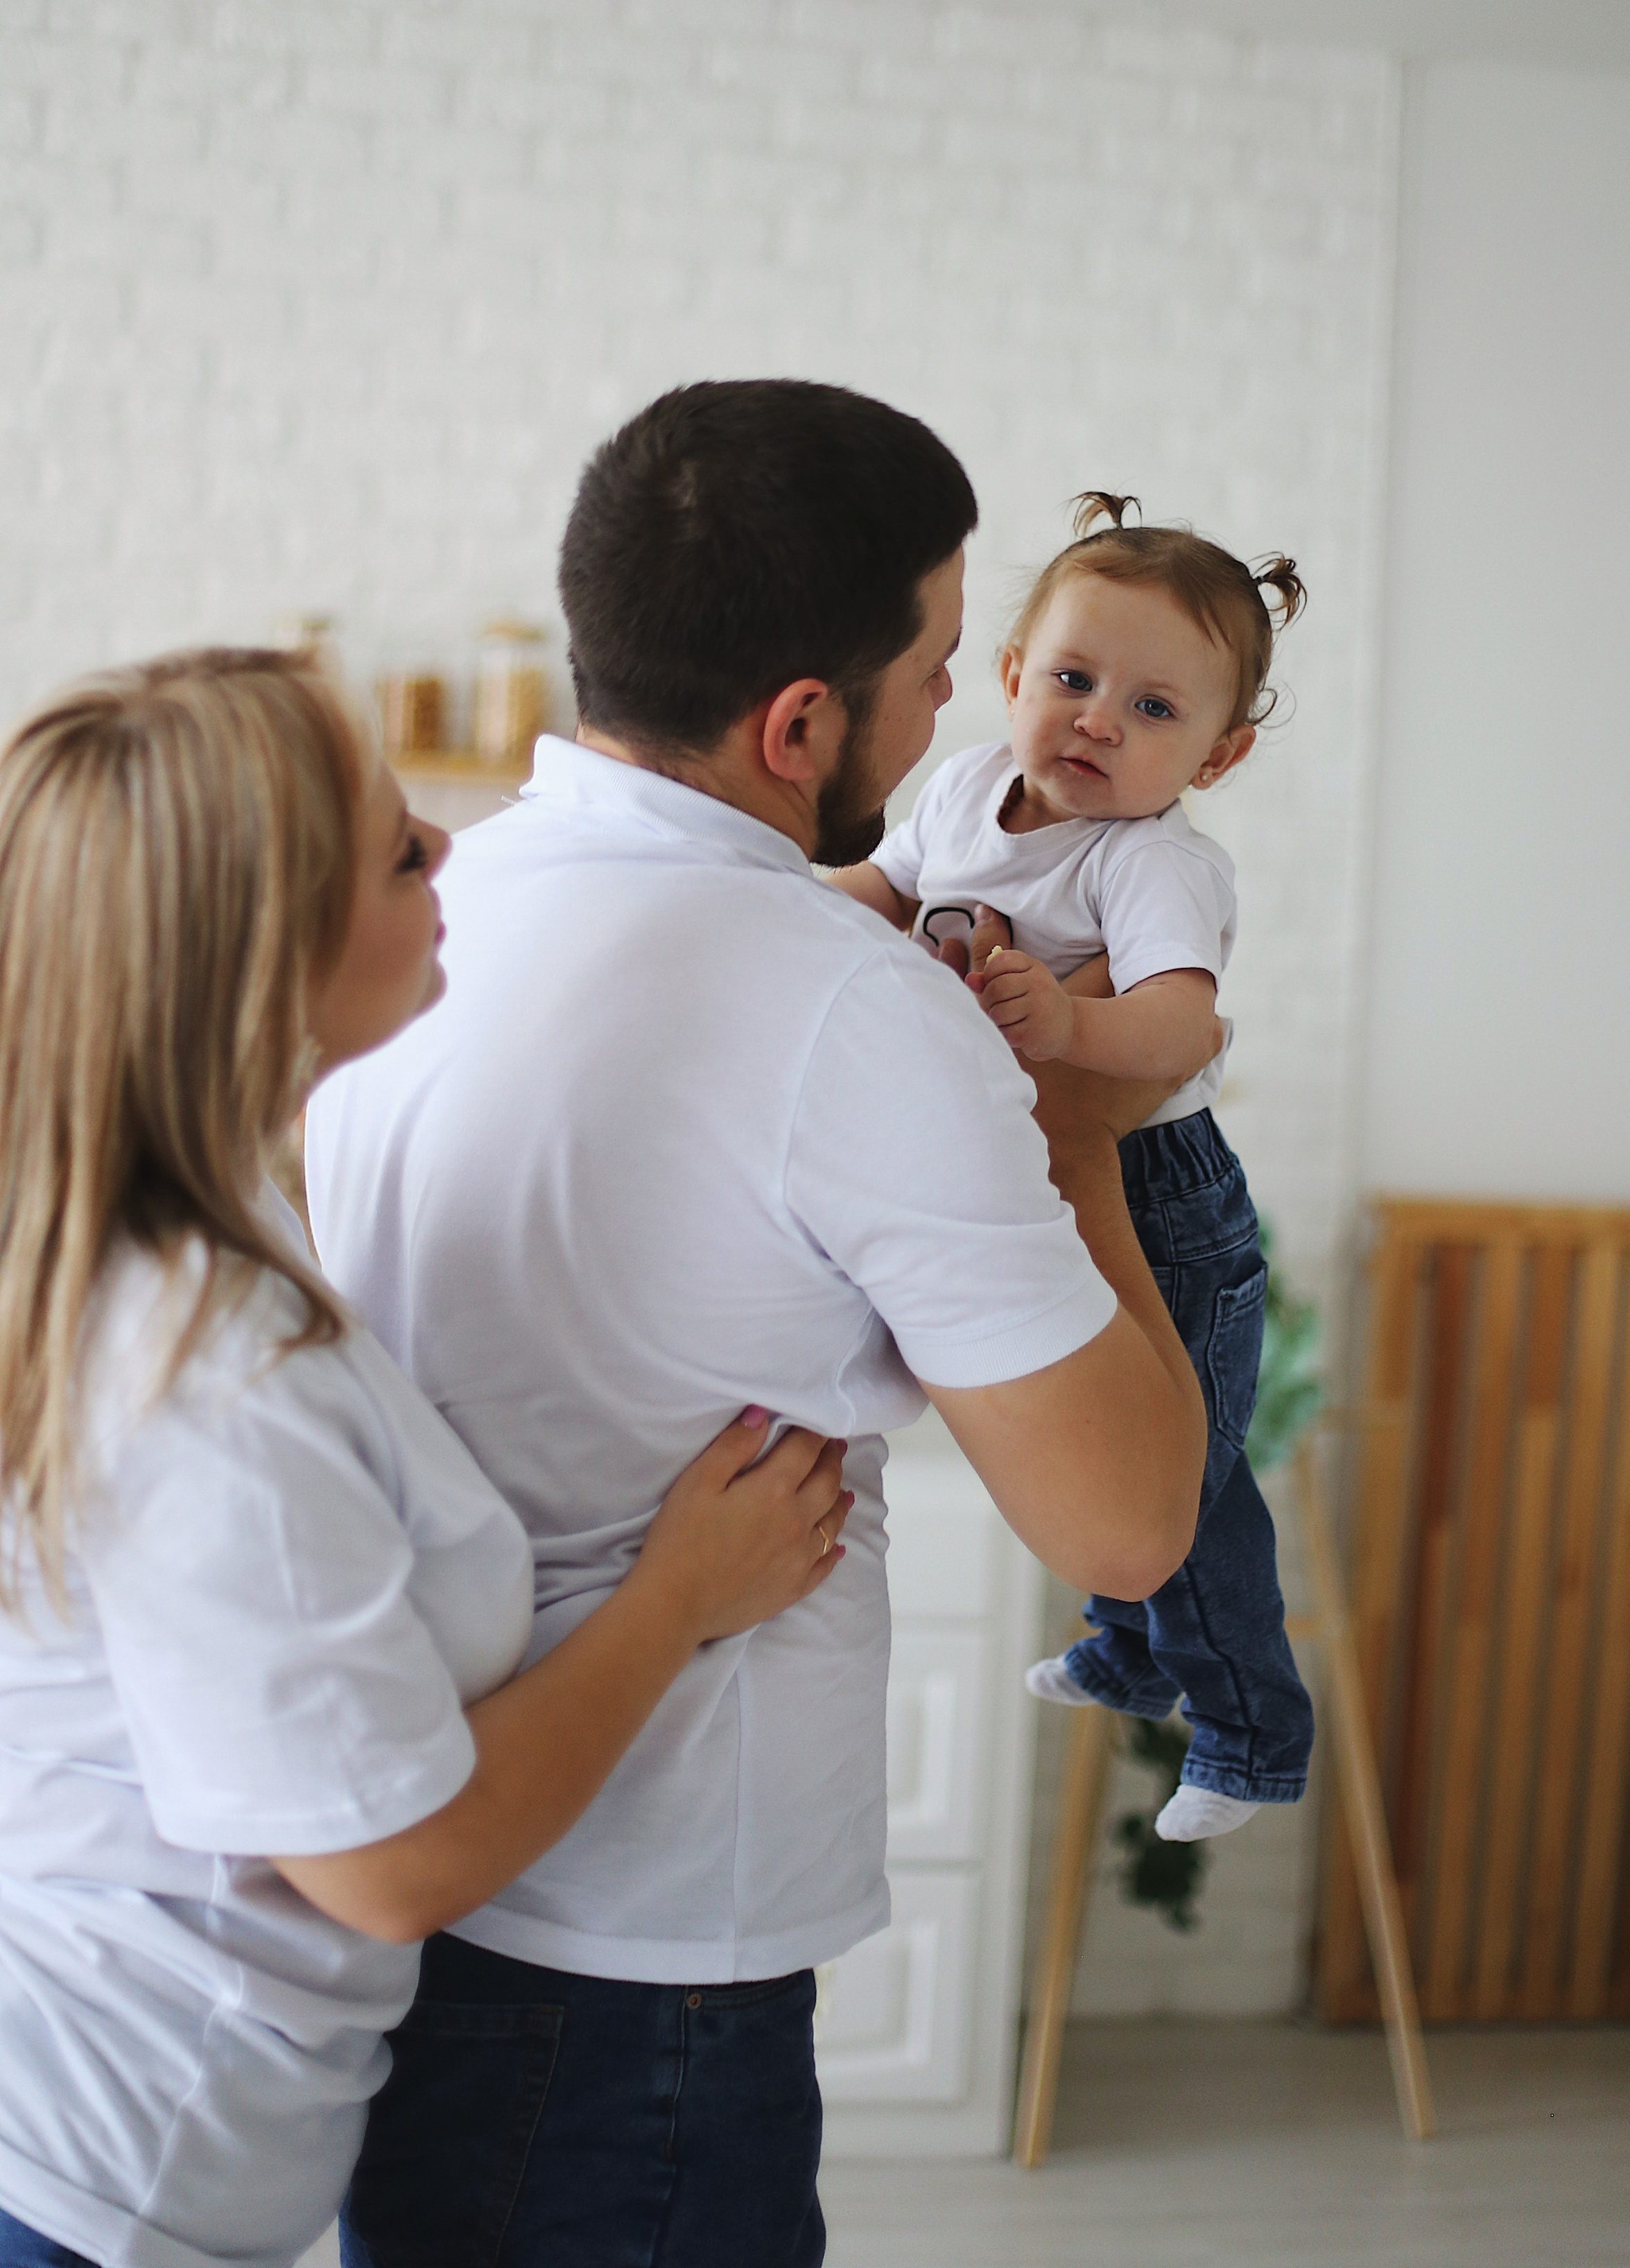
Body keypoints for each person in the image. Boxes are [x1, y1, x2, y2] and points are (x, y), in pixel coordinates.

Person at [306, 379, 1207, 2268]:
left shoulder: (435, 912)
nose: (972, 714)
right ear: (804, 723)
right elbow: (1126, 1524)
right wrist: (1087, 1120)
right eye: (946, 664)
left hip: (408, 1875)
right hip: (644, 1971)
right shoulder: (841, 1005)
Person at [0, 648, 847, 2268]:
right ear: (266, 946)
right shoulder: (205, 1371)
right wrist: (677, 1597)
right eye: (401, 849)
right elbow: (389, 1869)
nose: (449, 855)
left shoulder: (166, 1213)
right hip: (100, 2179)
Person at [835, 490, 1315, 1840]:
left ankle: (1247, 1731)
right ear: (1007, 680)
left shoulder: (1154, 865)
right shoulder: (961, 789)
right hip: (1025, 1170)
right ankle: (1124, 1645)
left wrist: (1070, 1024)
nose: (1099, 718)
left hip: (1163, 1191)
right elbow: (875, 893)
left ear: (1212, 761)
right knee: (1088, 1422)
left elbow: (1182, 1021)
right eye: (1072, 678)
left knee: (1189, 1470)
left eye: (1154, 710)